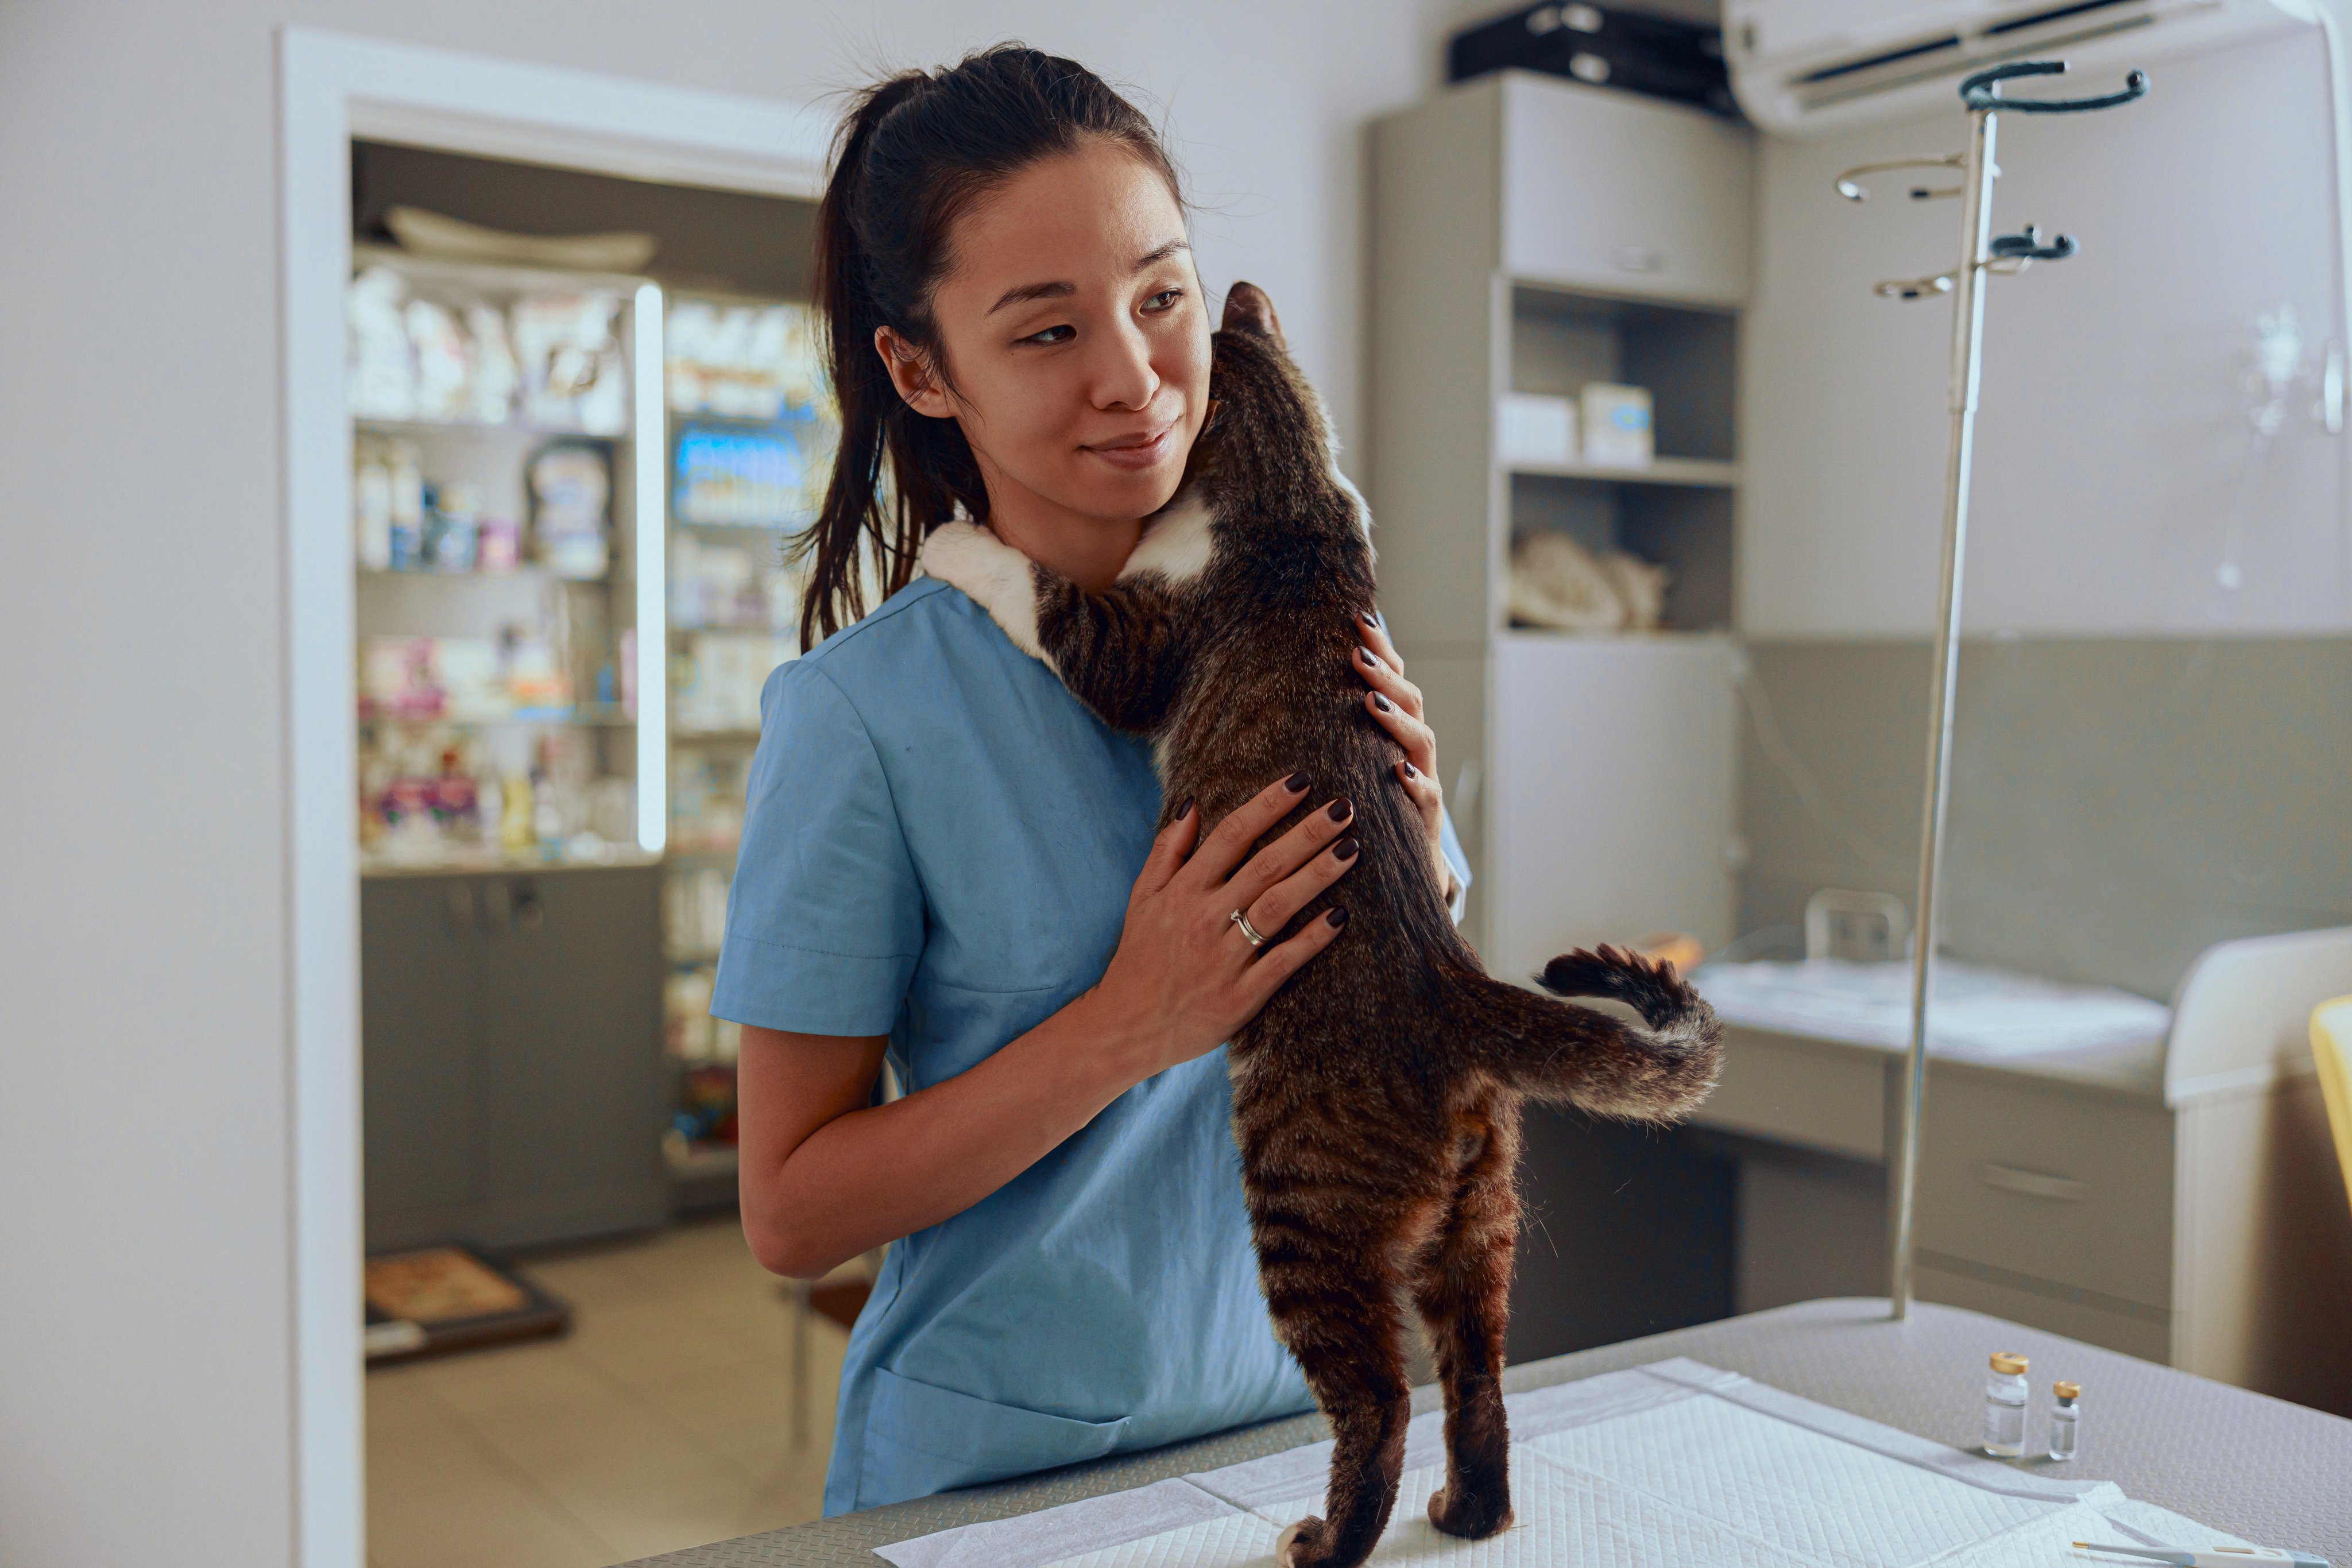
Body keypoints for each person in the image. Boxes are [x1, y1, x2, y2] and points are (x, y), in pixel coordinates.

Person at [714, 44, 1469, 1516]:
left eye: (1162, 296)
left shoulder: (1310, 596)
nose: (1134, 379)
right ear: (921, 370)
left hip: (1294, 1429)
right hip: (1002, 1474)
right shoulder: (862, 716)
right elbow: (789, 1212)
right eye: (1047, 331)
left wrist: (1422, 863)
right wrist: (1133, 1021)